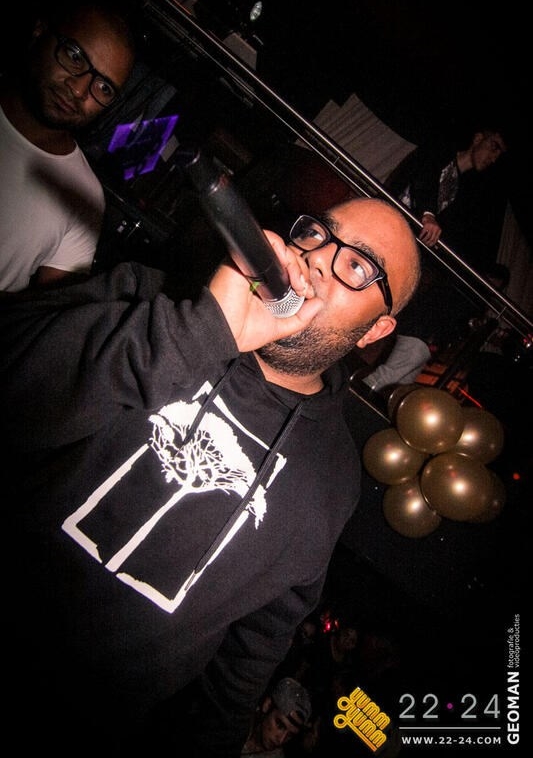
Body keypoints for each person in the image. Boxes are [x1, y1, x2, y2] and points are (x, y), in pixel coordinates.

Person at [0, 196, 421, 756]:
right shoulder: (153, 296)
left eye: (358, 265)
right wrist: (201, 330)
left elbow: (249, 657)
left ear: (375, 330)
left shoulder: (334, 480)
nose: (319, 258)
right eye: (318, 234)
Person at [0, 0, 136, 292]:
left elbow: (49, 310)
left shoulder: (83, 196)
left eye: (103, 87)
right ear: (39, 31)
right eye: (75, 57)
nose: (79, 90)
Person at [385, 119, 508, 268]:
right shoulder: (441, 150)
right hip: (386, 216)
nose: (493, 158)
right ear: (478, 139)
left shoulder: (464, 190)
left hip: (402, 240)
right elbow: (425, 176)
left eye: (498, 155)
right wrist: (428, 214)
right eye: (494, 147)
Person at [241, 676, 313, 757]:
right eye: (279, 725)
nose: (281, 740)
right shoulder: (238, 718)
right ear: (267, 705)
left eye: (289, 735)